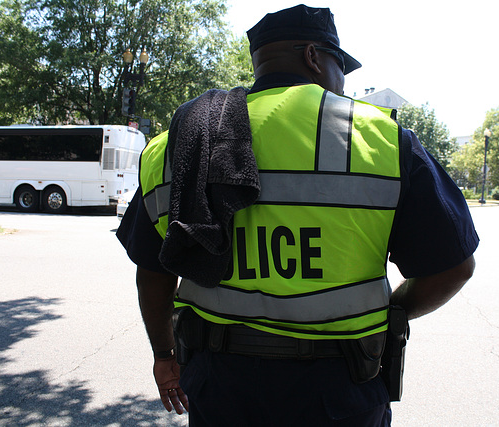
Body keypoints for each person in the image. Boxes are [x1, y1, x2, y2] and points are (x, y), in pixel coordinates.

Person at [117, 4, 479, 426]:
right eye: (340, 65)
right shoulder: (382, 141)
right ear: (313, 56)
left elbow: (153, 272)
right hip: (338, 392)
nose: (343, 81)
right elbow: (454, 269)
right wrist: (393, 313)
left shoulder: (175, 144)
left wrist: (164, 357)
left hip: (219, 387)